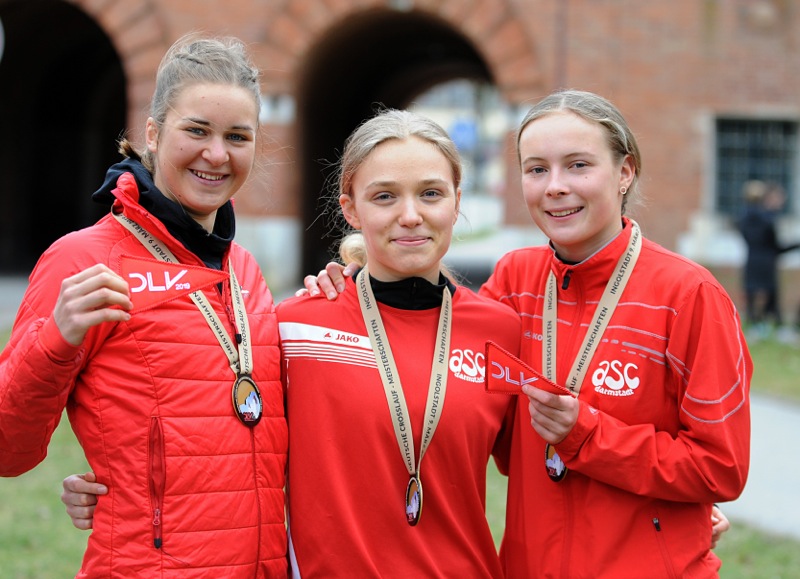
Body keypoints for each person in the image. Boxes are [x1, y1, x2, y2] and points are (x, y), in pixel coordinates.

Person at [303, 89, 751, 577]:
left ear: (625, 172)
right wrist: (357, 286)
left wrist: (588, 436)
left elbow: (721, 468)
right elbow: (448, 380)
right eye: (537, 169)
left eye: (578, 165)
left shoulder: (689, 295)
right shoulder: (515, 283)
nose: (555, 186)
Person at [63, 109, 522, 576]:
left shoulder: (501, 332)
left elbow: (536, 474)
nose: (410, 215)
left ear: (457, 201)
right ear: (351, 209)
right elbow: (215, 438)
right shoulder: (295, 327)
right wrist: (122, 487)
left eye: (431, 193)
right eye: (384, 196)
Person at [0, 34, 288, 577]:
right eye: (196, 130)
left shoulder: (246, 270)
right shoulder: (84, 260)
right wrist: (52, 340)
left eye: (237, 136)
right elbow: (7, 451)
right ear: (152, 134)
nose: (217, 154)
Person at [737, 179, 799, 341]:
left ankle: (755, 325)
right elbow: (774, 245)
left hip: (751, 259)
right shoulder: (767, 219)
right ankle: (776, 327)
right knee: (771, 296)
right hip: (767, 261)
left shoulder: (743, 217)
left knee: (752, 294)